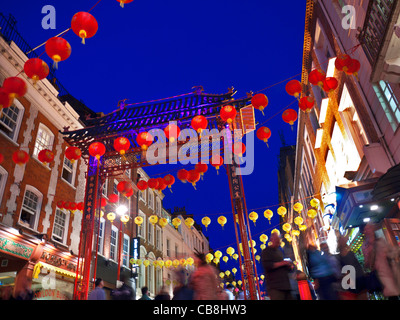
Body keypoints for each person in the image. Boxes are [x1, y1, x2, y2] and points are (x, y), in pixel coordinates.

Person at [363, 223, 400, 299]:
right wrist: (370, 253)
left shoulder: (380, 241)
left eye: (370, 228)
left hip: (391, 272)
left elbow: (390, 253)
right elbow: (367, 265)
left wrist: (396, 251)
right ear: (365, 232)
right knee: (392, 295)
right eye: (367, 228)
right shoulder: (366, 246)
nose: (370, 230)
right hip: (381, 277)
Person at [261, 232, 294, 300]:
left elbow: (283, 267)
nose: (278, 241)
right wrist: (283, 263)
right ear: (271, 239)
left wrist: (289, 266)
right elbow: (268, 265)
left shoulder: (279, 252)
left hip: (286, 286)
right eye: (276, 239)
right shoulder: (266, 251)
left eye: (279, 239)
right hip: (275, 287)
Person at [337, 235, 367, 300]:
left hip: (357, 279)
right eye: (342, 239)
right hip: (356, 280)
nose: (345, 239)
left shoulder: (345, 252)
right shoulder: (344, 255)